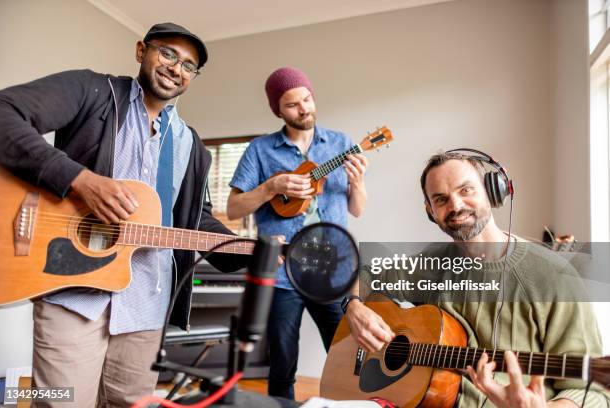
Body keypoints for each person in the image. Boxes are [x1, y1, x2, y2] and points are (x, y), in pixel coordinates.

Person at [0, 22, 247, 407]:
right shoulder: (92, 91)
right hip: (71, 296)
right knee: (56, 401)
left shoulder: (191, 146)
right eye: (167, 53)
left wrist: (253, 250)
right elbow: (3, 113)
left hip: (147, 304)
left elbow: (197, 222)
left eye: (188, 65)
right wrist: (80, 180)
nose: (175, 68)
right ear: (140, 51)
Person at [344, 151, 609, 407]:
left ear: (492, 191)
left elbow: (592, 393)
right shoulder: (430, 265)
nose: (456, 206)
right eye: (440, 199)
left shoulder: (555, 276)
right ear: (430, 211)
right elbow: (365, 273)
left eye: (466, 190)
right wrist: (354, 307)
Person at [226, 66, 368, 399]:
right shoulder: (260, 150)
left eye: (307, 99)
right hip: (281, 274)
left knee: (347, 359)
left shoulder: (340, 144)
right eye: (292, 104)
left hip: (332, 272)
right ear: (278, 110)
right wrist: (271, 186)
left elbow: (357, 209)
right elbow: (233, 208)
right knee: (282, 364)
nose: (304, 109)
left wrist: (358, 183)